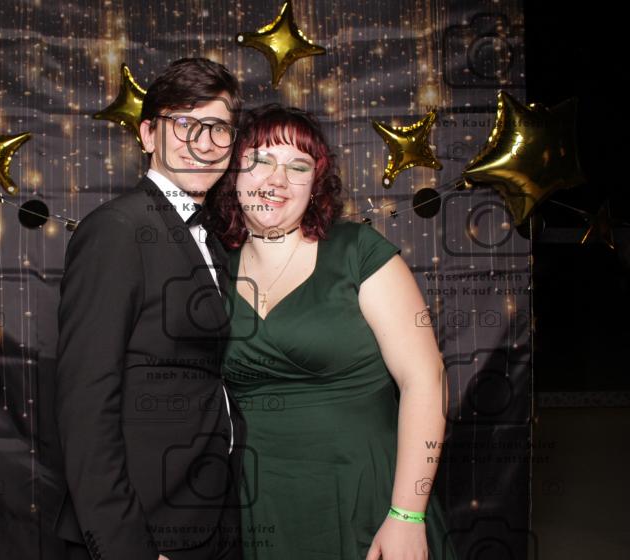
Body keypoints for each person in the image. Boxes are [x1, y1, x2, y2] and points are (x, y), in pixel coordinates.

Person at [204, 104, 458, 560]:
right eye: (261, 160)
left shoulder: (358, 252)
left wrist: (407, 514)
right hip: (262, 504)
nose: (277, 180)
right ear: (233, 174)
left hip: (368, 493)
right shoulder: (213, 269)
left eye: (297, 166)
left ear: (315, 183)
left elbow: (426, 379)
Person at [53, 58, 248, 560]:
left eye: (218, 128)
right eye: (184, 123)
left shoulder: (212, 240)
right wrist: (126, 547)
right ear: (147, 135)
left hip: (207, 517)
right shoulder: (117, 230)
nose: (203, 142)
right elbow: (85, 402)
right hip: (144, 530)